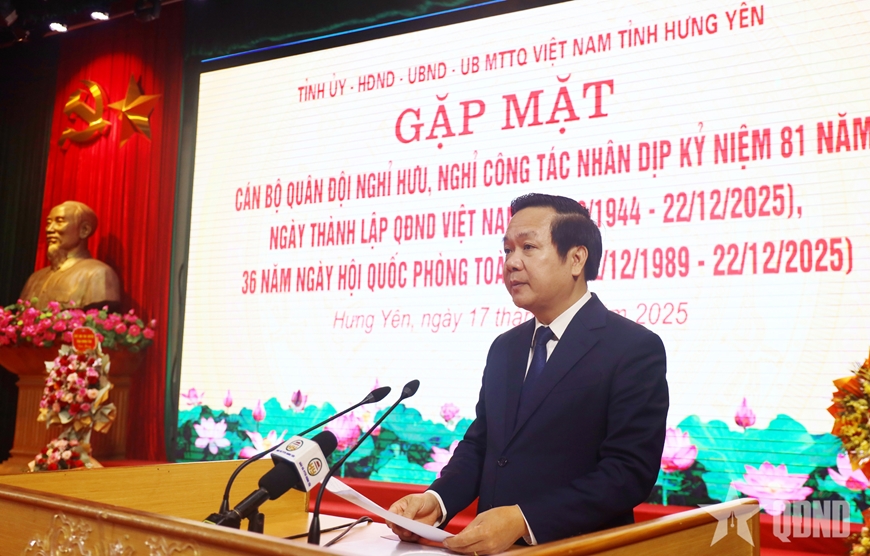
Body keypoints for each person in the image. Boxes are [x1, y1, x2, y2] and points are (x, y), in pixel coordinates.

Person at [388, 193, 669, 554]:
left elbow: (628, 473)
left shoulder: (632, 348)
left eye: (528, 247)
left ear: (576, 259)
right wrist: (437, 500)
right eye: (507, 250)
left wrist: (525, 519)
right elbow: (483, 445)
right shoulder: (505, 348)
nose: (511, 263)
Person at [20, 201, 121, 312]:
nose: (49, 229)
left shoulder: (98, 274)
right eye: (48, 223)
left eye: (59, 222)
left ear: (84, 230)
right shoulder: (34, 278)